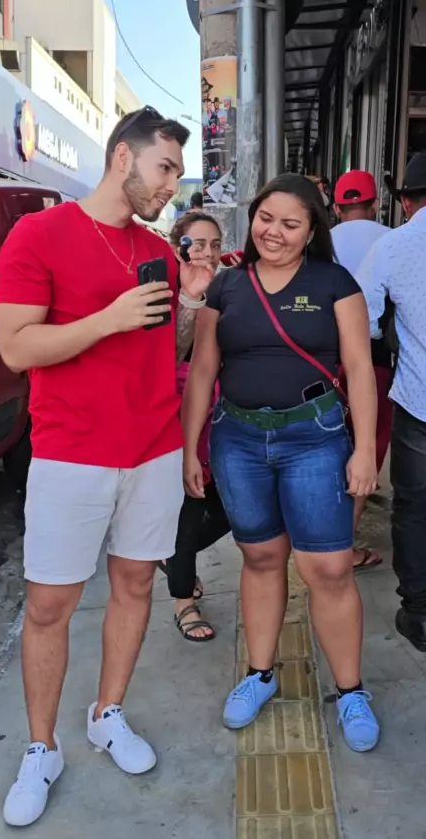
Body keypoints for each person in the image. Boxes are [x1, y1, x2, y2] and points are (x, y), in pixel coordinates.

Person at [0, 106, 215, 827]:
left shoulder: (156, 249)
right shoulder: (39, 235)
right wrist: (107, 319)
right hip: (70, 451)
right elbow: (16, 348)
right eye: (165, 168)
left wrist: (189, 301)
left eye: (177, 172)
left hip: (152, 448)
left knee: (136, 585)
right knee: (49, 605)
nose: (172, 185)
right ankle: (40, 747)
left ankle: (106, 713)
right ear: (124, 157)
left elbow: (166, 350)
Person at [182, 173, 380, 753]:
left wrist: (365, 449)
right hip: (238, 440)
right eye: (266, 218)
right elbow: (203, 369)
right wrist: (191, 446)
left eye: (291, 224)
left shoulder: (334, 282)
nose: (274, 232)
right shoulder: (227, 285)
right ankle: (259, 674)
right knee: (261, 557)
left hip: (314, 437)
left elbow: (359, 369)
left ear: (312, 230)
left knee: (330, 570)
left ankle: (350, 691)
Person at [357, 152, 426, 652]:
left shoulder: (391, 246)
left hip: (418, 402)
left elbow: (363, 322)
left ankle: (419, 614)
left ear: (404, 201)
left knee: (414, 507)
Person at [158, 212, 230, 641]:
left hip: (222, 415)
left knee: (229, 508)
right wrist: (190, 297)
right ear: (177, 248)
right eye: (197, 244)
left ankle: (170, 556)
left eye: (215, 244)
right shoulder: (163, 290)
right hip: (178, 415)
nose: (208, 252)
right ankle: (184, 601)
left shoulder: (227, 285)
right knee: (187, 507)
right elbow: (166, 354)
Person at [332, 170, 392, 571]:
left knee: (329, 446)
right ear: (374, 205)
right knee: (367, 444)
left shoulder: (320, 241)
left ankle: (323, 538)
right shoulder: (393, 239)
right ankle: (344, 546)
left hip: (324, 358)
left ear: (337, 208)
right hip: (374, 357)